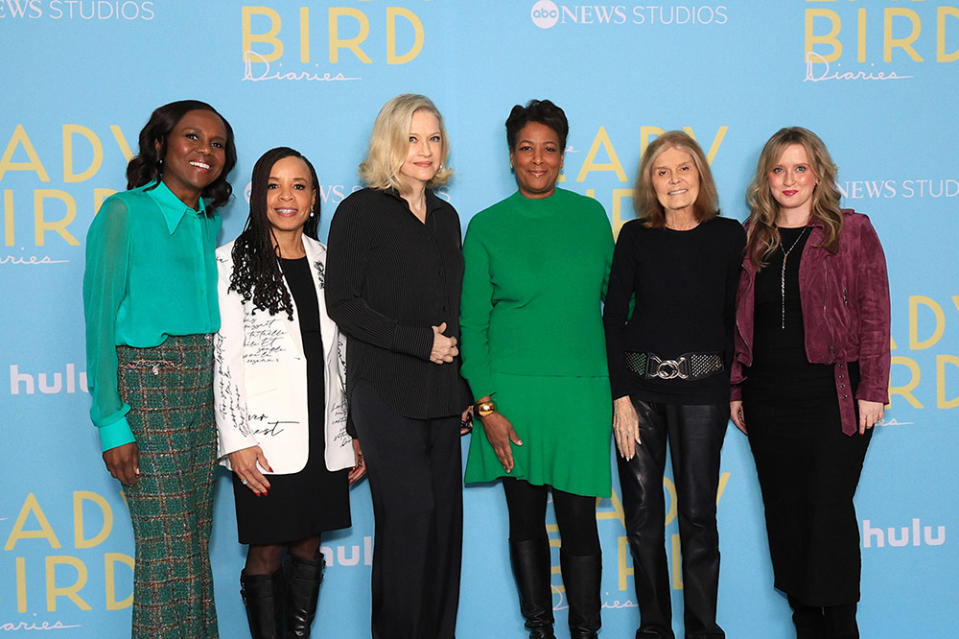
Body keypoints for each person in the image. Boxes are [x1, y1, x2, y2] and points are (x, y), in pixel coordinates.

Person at [460, 99, 613, 639]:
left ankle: (587, 632)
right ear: (510, 156)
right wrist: (487, 408)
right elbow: (471, 327)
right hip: (512, 400)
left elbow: (619, 308)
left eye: (549, 149)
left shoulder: (591, 216)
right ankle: (540, 630)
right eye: (526, 148)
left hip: (581, 397)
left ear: (563, 156)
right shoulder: (485, 226)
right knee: (524, 524)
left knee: (579, 525)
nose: (538, 159)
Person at [83, 99, 236, 638]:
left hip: (202, 392)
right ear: (158, 145)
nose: (205, 152)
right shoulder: (123, 212)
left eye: (216, 145)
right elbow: (99, 320)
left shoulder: (205, 222)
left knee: (190, 551)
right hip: (147, 389)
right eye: (192, 138)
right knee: (168, 559)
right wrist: (111, 420)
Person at [729, 127, 890, 639]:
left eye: (800, 168)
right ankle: (807, 629)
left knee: (827, 518)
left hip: (834, 396)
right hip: (768, 399)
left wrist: (874, 388)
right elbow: (734, 319)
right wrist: (736, 388)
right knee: (787, 519)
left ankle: (841, 630)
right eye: (779, 169)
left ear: (818, 173)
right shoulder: (751, 237)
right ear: (766, 179)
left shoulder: (851, 230)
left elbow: (875, 312)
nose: (790, 179)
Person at [324, 94, 470, 639]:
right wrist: (417, 343)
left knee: (443, 535)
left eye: (433, 138)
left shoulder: (446, 216)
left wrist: (461, 388)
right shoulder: (360, 211)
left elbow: (451, 312)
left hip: (440, 395)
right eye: (412, 138)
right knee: (406, 529)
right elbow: (344, 303)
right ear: (389, 142)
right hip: (384, 394)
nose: (425, 150)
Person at [214, 147, 366, 638]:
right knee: (267, 549)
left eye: (299, 186)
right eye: (274, 186)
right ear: (257, 196)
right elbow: (223, 359)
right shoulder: (229, 263)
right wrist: (234, 440)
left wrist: (352, 433)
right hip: (262, 442)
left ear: (315, 199)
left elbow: (341, 357)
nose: (287, 196)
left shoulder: (330, 262)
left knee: (307, 545)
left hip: (323, 437)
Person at [602, 130, 745, 639]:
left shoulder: (730, 235)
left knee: (698, 519)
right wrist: (620, 397)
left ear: (700, 174)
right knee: (642, 521)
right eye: (662, 172)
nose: (674, 180)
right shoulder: (634, 236)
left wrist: (736, 388)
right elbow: (613, 319)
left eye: (683, 168)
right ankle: (654, 629)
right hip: (638, 395)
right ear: (650, 183)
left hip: (704, 393)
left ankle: (704, 630)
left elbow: (736, 320)